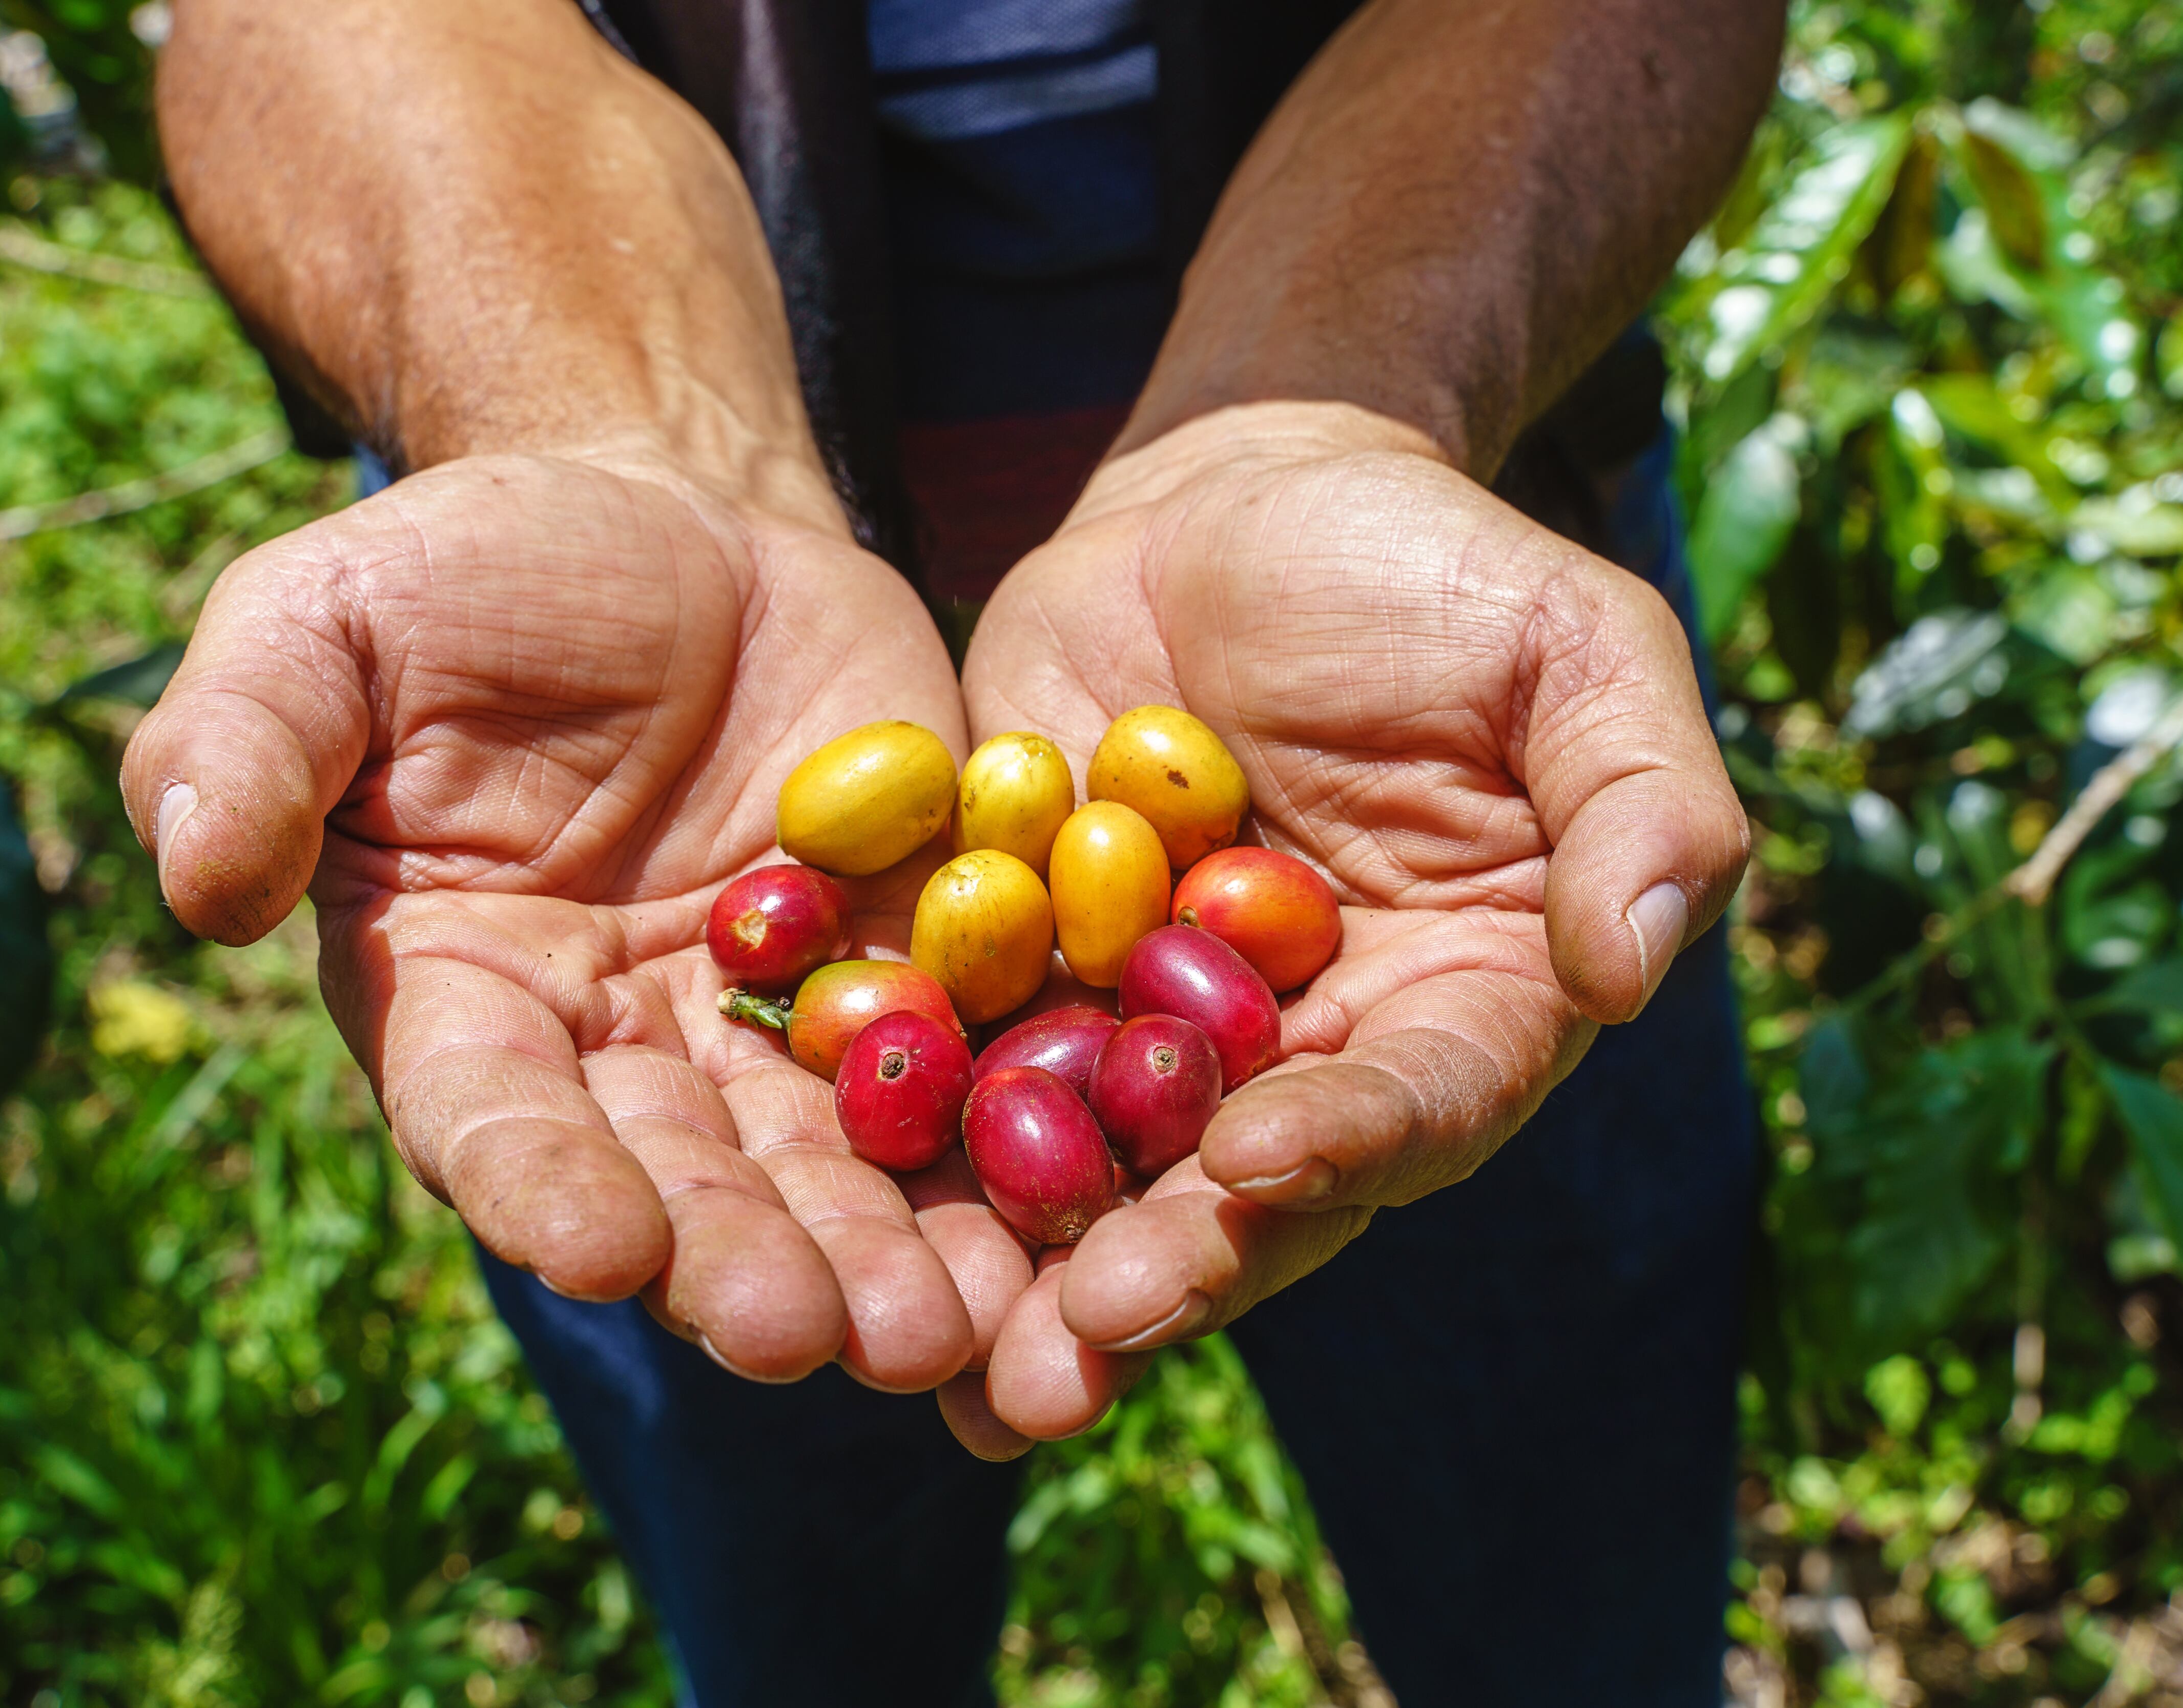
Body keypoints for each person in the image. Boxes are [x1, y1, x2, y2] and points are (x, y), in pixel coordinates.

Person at [122, 1, 1781, 1701]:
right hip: (617, 783)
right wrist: (601, 425)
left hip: (1407, 746)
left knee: (1563, 1568)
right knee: (788, 1557)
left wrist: (1334, 407)